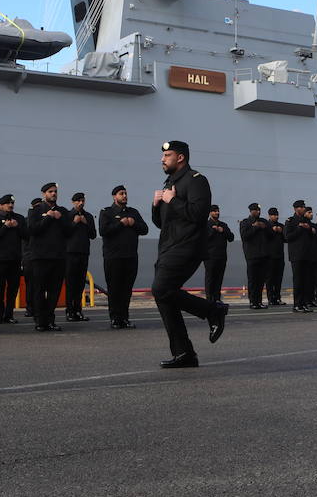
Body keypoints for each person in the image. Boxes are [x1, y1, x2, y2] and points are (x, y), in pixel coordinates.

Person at [150, 140, 228, 368]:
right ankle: (184, 353)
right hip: (168, 247)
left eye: (168, 155)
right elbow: (160, 223)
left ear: (180, 157)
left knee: (161, 289)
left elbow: (198, 213)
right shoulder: (169, 183)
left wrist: (172, 200)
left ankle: (213, 310)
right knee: (164, 296)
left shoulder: (196, 181)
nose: (163, 159)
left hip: (187, 247)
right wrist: (156, 205)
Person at [99, 185, 148, 328]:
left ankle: (124, 318)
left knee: (126, 290)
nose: (125, 196)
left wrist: (133, 223)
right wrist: (121, 223)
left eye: (126, 193)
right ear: (114, 197)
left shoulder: (134, 212)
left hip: (131, 256)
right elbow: (104, 231)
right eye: (121, 194)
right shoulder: (106, 213)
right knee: (114, 289)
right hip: (113, 257)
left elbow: (144, 229)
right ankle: (115, 318)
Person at [26, 182, 72, 332]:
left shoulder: (63, 211)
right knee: (39, 290)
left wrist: (60, 218)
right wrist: (48, 218)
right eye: (50, 191)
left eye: (55, 192)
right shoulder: (35, 210)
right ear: (44, 194)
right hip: (40, 257)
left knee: (54, 291)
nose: (53, 194)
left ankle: (50, 319)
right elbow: (33, 230)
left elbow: (69, 232)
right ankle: (40, 320)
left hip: (58, 257)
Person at [64, 192, 97, 323]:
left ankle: (78, 310)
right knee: (70, 284)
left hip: (83, 253)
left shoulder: (88, 216)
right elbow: (64, 233)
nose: (81, 203)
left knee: (80, 284)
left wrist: (85, 223)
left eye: (82, 201)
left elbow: (93, 235)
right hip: (70, 253)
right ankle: (70, 311)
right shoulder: (67, 215)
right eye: (78, 201)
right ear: (73, 202)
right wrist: (74, 223)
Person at [0, 194, 24, 324]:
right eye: (7, 203)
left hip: (14, 259)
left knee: (13, 289)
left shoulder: (19, 219)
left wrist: (17, 226)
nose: (10, 205)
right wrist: (5, 227)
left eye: (12, 203)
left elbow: (27, 235)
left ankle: (9, 314)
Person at [284, 200, 317, 313]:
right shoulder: (291, 221)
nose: (304, 209)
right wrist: (299, 228)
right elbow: (287, 237)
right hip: (297, 256)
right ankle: (297, 304)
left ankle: (304, 303)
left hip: (307, 255)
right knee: (298, 281)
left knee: (306, 281)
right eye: (302, 207)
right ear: (296, 209)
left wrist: (309, 229)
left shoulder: (306, 221)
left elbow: (314, 233)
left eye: (304, 207)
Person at [239, 203, 272, 309]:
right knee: (253, 280)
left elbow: (271, 235)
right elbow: (245, 236)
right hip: (252, 256)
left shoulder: (264, 221)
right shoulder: (245, 222)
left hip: (263, 255)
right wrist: (255, 227)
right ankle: (253, 301)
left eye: (259, 210)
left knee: (261, 281)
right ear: (251, 211)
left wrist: (265, 228)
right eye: (256, 210)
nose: (258, 212)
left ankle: (259, 301)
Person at [204, 204, 234, 303]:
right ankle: (209, 299)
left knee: (219, 278)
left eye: (218, 211)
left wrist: (222, 231)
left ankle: (217, 298)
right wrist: (213, 230)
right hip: (210, 257)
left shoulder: (223, 225)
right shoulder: (206, 225)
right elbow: (204, 238)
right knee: (210, 278)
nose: (217, 213)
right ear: (210, 213)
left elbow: (231, 238)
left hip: (221, 256)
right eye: (214, 211)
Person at [265, 207, 287, 306]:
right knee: (270, 279)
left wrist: (281, 231)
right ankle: (270, 298)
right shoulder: (266, 226)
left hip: (280, 256)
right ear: (269, 216)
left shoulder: (281, 226)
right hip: (269, 256)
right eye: (274, 215)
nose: (276, 217)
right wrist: (272, 230)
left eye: (277, 215)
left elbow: (286, 238)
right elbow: (264, 238)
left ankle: (277, 297)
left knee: (278, 278)